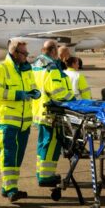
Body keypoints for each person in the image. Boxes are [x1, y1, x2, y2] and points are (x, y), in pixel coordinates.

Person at [0, 40, 40, 202]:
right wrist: (18, 95)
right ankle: (11, 189)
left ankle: (7, 187)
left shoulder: (27, 70)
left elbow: (33, 86)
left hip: (24, 121)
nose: (27, 56)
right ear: (14, 53)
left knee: (18, 156)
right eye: (24, 53)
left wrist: (35, 93)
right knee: (9, 154)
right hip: (7, 119)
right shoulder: (1, 69)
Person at [32, 40, 74, 187]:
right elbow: (58, 92)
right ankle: (46, 176)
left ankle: (40, 172)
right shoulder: (51, 67)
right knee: (51, 144)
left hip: (39, 110)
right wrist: (72, 101)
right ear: (54, 51)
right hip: (51, 112)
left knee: (43, 143)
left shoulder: (35, 64)